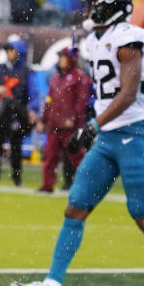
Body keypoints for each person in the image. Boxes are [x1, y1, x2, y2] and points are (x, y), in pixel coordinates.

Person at [12, 0, 144, 286]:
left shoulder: (127, 37)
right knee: (75, 207)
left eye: (94, 4)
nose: (89, 10)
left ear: (110, 7)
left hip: (133, 135)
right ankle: (52, 285)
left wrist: (93, 124)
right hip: (107, 139)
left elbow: (129, 93)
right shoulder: (94, 39)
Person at [37, 47, 90, 193]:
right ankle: (47, 185)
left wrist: (73, 118)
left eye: (63, 57)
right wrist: (43, 119)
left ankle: (85, 186)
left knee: (76, 157)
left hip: (69, 126)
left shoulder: (79, 77)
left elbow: (82, 101)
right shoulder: (55, 77)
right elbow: (50, 101)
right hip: (54, 124)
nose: (60, 60)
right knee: (50, 156)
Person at [0, 35, 35, 187]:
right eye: (7, 50)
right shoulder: (1, 68)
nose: (9, 53)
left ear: (19, 52)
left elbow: (31, 92)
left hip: (17, 113)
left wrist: (32, 110)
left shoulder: (25, 71)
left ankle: (17, 179)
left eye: (12, 50)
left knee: (16, 148)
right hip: (2, 112)